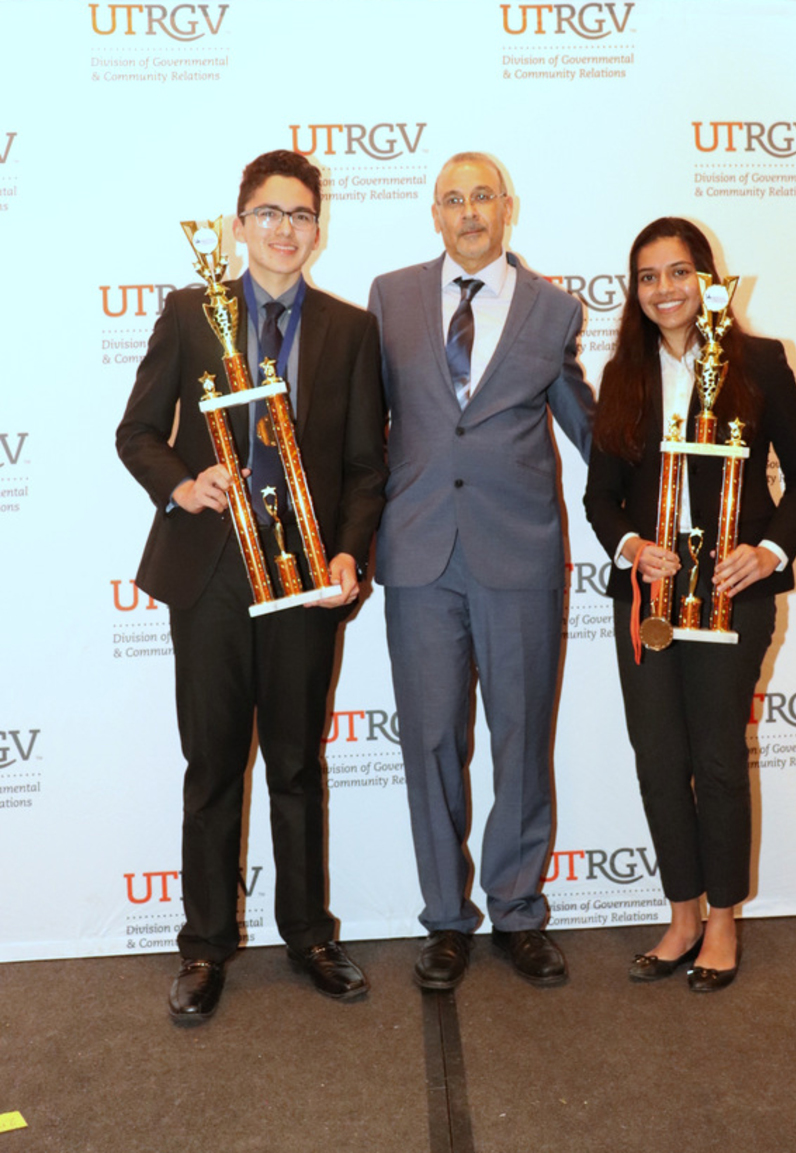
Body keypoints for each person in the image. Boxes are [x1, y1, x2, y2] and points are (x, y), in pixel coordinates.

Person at [116, 150, 386, 1023]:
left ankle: (309, 933)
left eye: (301, 214)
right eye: (268, 213)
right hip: (212, 578)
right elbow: (136, 430)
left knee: (299, 764)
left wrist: (347, 556)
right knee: (213, 765)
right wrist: (181, 484)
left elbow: (362, 467)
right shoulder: (192, 313)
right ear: (239, 225)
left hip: (304, 580)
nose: (285, 229)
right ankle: (204, 947)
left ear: (319, 226)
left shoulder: (350, 330)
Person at [368, 152, 594, 990]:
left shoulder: (553, 307)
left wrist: (665, 488)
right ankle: (445, 920)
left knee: (521, 739)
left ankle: (519, 911)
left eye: (482, 198)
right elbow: (366, 420)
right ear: (434, 213)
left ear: (509, 209)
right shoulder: (389, 296)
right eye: (453, 199)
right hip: (420, 552)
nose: (469, 212)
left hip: (520, 554)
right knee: (429, 742)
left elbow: (587, 425)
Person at [584, 218, 796, 992]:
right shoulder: (622, 372)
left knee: (718, 759)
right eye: (648, 276)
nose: (664, 290)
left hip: (733, 588)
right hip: (649, 597)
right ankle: (682, 915)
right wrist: (629, 546)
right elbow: (599, 498)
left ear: (707, 278)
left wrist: (768, 553)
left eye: (678, 272)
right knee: (659, 760)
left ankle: (723, 921)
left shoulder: (759, 362)